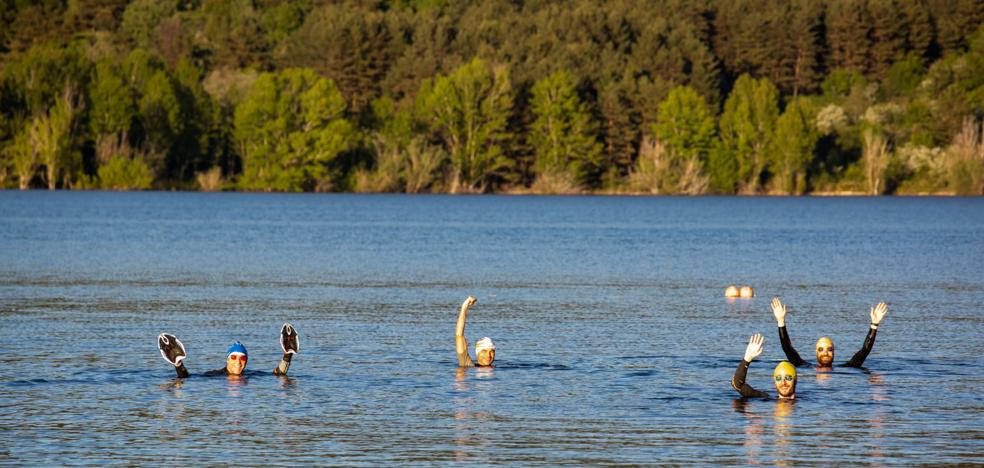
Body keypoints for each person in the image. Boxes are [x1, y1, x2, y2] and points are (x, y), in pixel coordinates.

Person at [771, 297, 888, 368]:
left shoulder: (847, 368)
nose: (825, 353)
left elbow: (864, 351)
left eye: (829, 349)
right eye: (821, 349)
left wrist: (874, 324)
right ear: (816, 352)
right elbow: (787, 348)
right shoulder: (804, 366)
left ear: (834, 352)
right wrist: (781, 321)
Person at [157, 323, 299, 378]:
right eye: (234, 357)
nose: (238, 362)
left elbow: (279, 374)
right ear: (227, 359)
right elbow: (187, 378)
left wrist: (288, 355)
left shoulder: (251, 375)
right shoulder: (215, 375)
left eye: (242, 358)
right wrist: (178, 364)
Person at [732, 333, 797, 400]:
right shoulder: (765, 398)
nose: (783, 382)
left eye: (788, 378)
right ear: (775, 382)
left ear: (795, 381)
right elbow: (738, 385)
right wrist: (747, 358)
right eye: (778, 378)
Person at [455, 296, 495, 367]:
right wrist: (464, 306)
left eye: (491, 351)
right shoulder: (468, 365)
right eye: (484, 351)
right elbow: (459, 335)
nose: (488, 355)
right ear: (478, 352)